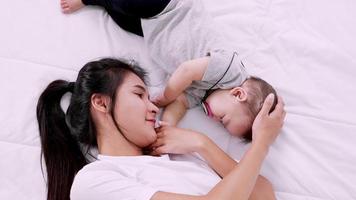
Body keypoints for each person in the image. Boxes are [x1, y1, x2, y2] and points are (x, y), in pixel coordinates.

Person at [37, 58, 285, 200]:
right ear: (101, 102)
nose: (154, 108)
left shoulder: (182, 150)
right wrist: (261, 142)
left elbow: (264, 194)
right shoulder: (94, 180)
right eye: (139, 95)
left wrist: (203, 145)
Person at [59, 0, 278, 142]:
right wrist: (166, 96)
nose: (215, 120)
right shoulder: (228, 70)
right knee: (128, 4)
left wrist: (169, 125)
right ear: (238, 94)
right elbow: (186, 71)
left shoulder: (204, 94)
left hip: (155, 28)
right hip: (170, 8)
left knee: (122, 18)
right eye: (224, 118)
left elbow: (181, 103)